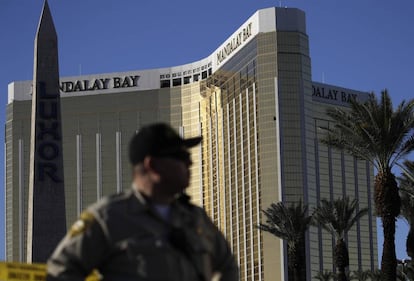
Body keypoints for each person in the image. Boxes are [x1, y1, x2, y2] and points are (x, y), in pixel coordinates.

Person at [46, 123, 239, 281]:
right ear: (152, 165)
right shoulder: (108, 217)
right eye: (181, 157)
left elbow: (227, 266)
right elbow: (60, 271)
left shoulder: (196, 218)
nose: (190, 163)